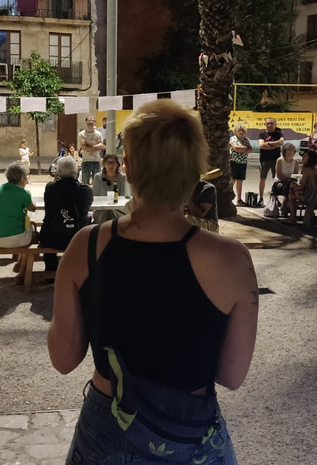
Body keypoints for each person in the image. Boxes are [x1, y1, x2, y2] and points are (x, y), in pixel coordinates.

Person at [47, 99, 257, 465]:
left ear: (127, 167)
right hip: (190, 433)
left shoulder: (86, 245)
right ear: (195, 171)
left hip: (107, 426)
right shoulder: (232, 259)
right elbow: (231, 375)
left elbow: (63, 359)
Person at [0, 162, 37, 283]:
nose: (27, 180)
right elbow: (33, 208)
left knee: (25, 232)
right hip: (14, 238)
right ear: (22, 178)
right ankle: (22, 274)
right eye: (27, 176)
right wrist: (27, 194)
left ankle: (19, 263)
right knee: (33, 236)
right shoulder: (23, 193)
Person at [40, 156, 93, 271]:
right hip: (79, 237)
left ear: (58, 171)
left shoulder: (50, 188)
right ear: (76, 170)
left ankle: (51, 269)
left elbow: (49, 212)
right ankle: (81, 269)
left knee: (48, 227)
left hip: (52, 238)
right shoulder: (85, 190)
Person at [288, 149, 317, 229]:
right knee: (293, 195)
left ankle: (292, 218)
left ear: (310, 158)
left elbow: (301, 187)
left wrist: (293, 188)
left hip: (311, 195)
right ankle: (300, 220)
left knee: (291, 191)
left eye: (305, 156)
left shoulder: (308, 169)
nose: (303, 158)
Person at [90, 153, 128, 225]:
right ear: (104, 164)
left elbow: (124, 197)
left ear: (117, 164)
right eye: (108, 162)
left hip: (118, 210)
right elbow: (95, 196)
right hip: (101, 211)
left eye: (113, 162)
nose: (111, 165)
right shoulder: (98, 177)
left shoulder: (123, 178)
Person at [258, 118, 284, 204]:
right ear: (265, 125)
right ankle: (261, 198)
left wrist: (268, 143)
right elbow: (261, 145)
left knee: (276, 179)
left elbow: (281, 142)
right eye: (268, 123)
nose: (270, 125)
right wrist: (275, 145)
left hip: (275, 159)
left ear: (275, 124)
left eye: (271, 123)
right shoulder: (262, 134)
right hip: (264, 159)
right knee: (262, 178)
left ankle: (275, 198)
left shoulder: (278, 133)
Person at [78, 115, 106, 185]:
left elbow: (101, 146)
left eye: (92, 120)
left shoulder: (98, 134)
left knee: (97, 183)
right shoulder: (81, 134)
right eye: (89, 120)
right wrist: (96, 146)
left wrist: (89, 146)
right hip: (85, 161)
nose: (91, 122)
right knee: (85, 183)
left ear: (94, 122)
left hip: (96, 160)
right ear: (86, 121)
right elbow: (84, 148)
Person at [229, 124, 253, 204]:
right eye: (239, 130)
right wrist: (245, 148)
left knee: (240, 181)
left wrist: (242, 149)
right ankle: (228, 198)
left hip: (243, 162)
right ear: (236, 131)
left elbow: (250, 150)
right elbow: (236, 148)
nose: (241, 132)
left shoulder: (246, 140)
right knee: (232, 180)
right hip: (234, 161)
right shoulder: (233, 138)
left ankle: (239, 199)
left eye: (243, 130)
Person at [274, 143, 299, 215]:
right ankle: (285, 206)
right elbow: (279, 175)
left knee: (293, 188)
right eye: (289, 150)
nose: (290, 152)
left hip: (290, 182)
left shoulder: (295, 162)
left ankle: (287, 206)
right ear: (284, 151)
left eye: (292, 150)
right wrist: (288, 180)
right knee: (288, 187)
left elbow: (295, 176)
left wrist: (290, 181)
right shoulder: (280, 160)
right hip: (279, 181)